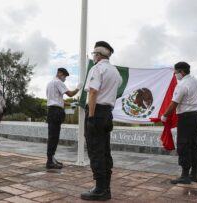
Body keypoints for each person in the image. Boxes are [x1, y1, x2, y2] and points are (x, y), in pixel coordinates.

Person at [81, 41, 122, 201]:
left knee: (95, 150)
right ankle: (106, 187)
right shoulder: (115, 71)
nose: (94, 57)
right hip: (107, 113)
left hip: (96, 112)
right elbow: (116, 87)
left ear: (98, 55)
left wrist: (90, 116)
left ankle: (100, 190)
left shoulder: (98, 68)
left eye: (94, 54)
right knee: (105, 150)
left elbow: (92, 93)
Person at [161, 61, 197, 184]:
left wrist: (164, 116)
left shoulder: (182, 85)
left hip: (186, 118)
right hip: (195, 116)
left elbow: (174, 104)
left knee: (183, 145)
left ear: (182, 72)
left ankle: (185, 175)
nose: (175, 74)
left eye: (176, 72)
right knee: (194, 145)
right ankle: (194, 174)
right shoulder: (195, 81)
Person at [46, 67, 82, 169]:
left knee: (52, 135)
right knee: (54, 136)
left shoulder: (50, 83)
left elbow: (57, 101)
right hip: (56, 112)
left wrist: (70, 104)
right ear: (60, 74)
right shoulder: (58, 82)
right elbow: (70, 94)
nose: (65, 78)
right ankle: (50, 161)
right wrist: (78, 88)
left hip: (51, 111)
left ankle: (51, 158)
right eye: (65, 76)